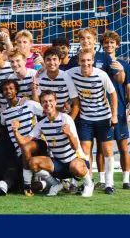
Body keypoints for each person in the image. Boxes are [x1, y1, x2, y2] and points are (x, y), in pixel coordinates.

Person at [13, 90, 94, 197]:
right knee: (32, 163)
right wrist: (15, 130)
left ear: (56, 102)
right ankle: (57, 184)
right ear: (41, 104)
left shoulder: (66, 119)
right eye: (44, 102)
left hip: (75, 161)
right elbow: (23, 142)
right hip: (58, 164)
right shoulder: (41, 124)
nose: (48, 104)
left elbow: (75, 147)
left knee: (76, 166)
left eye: (50, 101)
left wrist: (69, 134)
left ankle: (89, 184)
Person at [67, 48, 118, 195]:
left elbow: (113, 94)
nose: (86, 63)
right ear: (78, 61)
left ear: (93, 61)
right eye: (83, 60)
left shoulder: (101, 75)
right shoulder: (72, 73)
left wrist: (114, 115)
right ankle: (88, 181)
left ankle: (109, 183)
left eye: (89, 60)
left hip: (103, 117)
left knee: (108, 151)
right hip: (86, 118)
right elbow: (58, 72)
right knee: (85, 151)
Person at [0, 79, 45, 196]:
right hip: (20, 153)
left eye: (11, 88)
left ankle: (27, 184)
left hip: (37, 144)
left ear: (16, 90)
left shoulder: (29, 104)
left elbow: (45, 112)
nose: (8, 91)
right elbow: (4, 124)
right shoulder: (4, 113)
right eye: (5, 89)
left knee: (26, 147)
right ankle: (42, 183)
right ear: (2, 93)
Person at [100, 31, 130, 190]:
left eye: (112, 43)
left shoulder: (124, 64)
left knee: (123, 147)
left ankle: (126, 180)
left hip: (119, 110)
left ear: (117, 45)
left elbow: (127, 86)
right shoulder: (97, 62)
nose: (109, 45)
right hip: (100, 111)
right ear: (102, 44)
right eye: (106, 42)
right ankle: (105, 180)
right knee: (103, 148)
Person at [36, 47, 80, 120]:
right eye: (48, 59)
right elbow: (37, 102)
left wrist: (70, 122)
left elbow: (76, 103)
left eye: (54, 59)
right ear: (44, 61)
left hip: (63, 118)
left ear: (59, 61)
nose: (52, 63)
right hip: (45, 118)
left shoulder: (66, 77)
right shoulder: (39, 77)